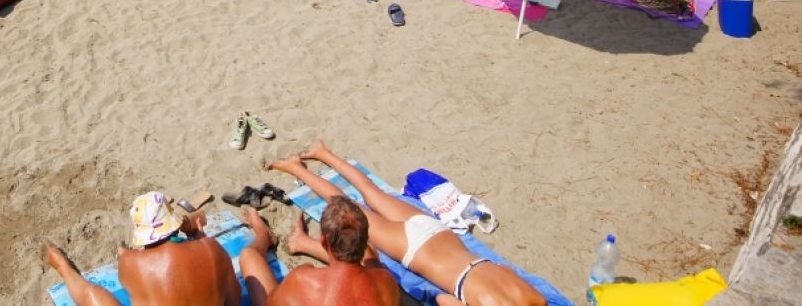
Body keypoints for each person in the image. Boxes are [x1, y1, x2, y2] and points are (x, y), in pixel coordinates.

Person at [270, 143, 547, 306]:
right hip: (415, 248)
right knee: (347, 208)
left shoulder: (537, 300)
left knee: (371, 192)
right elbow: (443, 301)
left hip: (442, 237)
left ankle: (323, 152)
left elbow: (505, 269)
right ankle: (295, 168)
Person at [44, 191, 240, 306]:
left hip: (143, 253)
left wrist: (126, 255)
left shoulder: (131, 263)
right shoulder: (211, 248)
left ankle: (62, 266)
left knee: (93, 296)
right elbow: (234, 299)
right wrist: (199, 238)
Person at [237, 198, 400, 306]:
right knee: (370, 259)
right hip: (360, 267)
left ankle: (263, 235)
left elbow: (271, 302)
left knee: (249, 255)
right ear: (365, 240)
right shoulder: (386, 281)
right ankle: (301, 242)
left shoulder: (303, 279)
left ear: (323, 242)